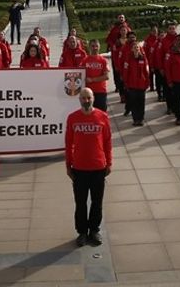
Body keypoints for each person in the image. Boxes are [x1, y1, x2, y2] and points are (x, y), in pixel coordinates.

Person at [66, 87, 112, 247]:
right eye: (83, 98)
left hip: (98, 167)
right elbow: (68, 143)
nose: (86, 101)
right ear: (79, 100)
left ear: (93, 98)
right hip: (79, 168)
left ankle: (94, 230)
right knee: (80, 203)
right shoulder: (72, 118)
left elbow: (108, 142)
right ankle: (82, 232)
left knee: (97, 201)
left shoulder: (102, 117)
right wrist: (68, 166)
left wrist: (109, 162)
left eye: (89, 98)